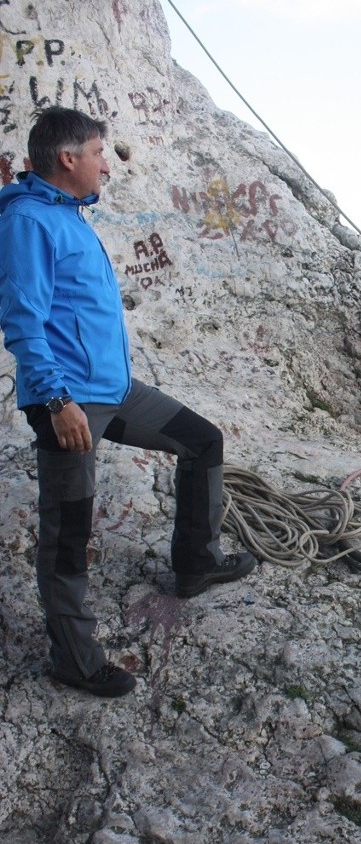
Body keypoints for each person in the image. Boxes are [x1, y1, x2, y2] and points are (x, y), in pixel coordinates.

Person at [0, 107, 256, 698]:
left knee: (203, 440)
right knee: (68, 530)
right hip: (70, 402)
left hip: (114, 393)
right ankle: (75, 658)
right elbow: (23, 322)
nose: (105, 167)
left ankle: (195, 564)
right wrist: (56, 400)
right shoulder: (29, 222)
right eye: (98, 153)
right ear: (68, 159)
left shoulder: (68, 216)